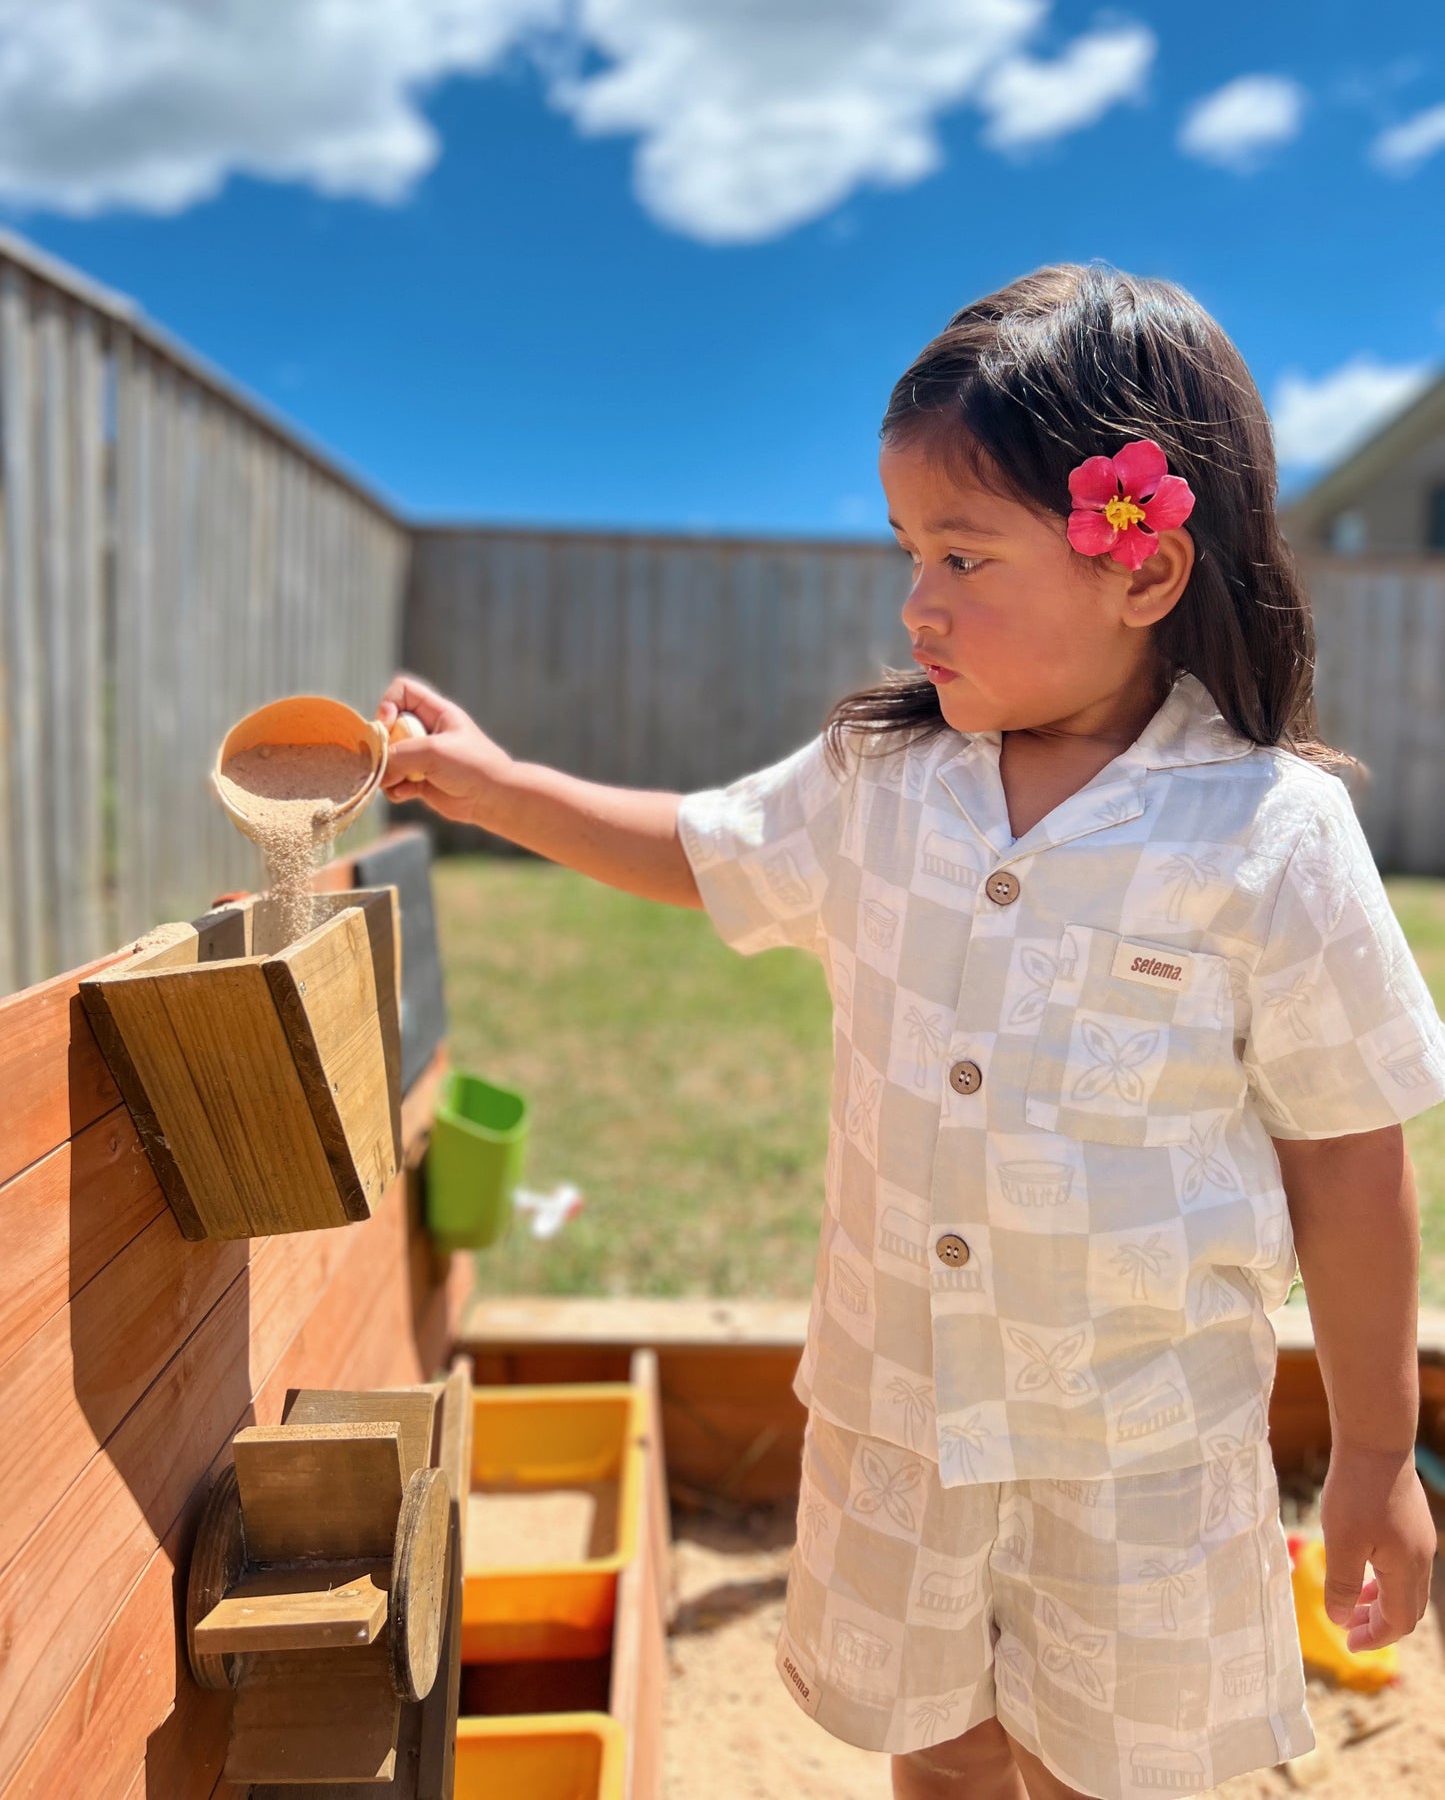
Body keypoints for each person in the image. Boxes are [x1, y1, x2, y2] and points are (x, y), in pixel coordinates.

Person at [377, 263, 1445, 1800]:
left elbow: (1348, 1157)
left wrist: (1371, 1456)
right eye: (906, 549)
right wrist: (501, 789)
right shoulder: (880, 779)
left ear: (1141, 569)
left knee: (1101, 1774)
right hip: (900, 1419)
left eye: (961, 554)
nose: (914, 601)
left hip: (1133, 1454)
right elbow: (700, 848)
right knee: (936, 1753)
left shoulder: (1267, 835)